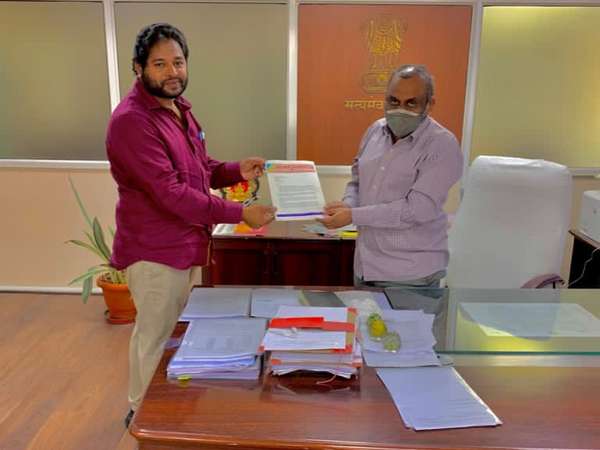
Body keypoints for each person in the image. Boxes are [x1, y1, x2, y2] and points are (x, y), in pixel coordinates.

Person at [106, 23, 276, 427]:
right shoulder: (131, 121)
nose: (172, 72)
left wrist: (234, 169)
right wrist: (239, 214)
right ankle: (144, 418)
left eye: (178, 62)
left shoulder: (178, 108)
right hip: (155, 251)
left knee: (174, 335)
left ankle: (169, 410)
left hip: (186, 244)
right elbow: (169, 193)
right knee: (156, 337)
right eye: (160, 64)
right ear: (138, 68)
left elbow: (198, 168)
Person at [319, 64, 463, 288]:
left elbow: (417, 210)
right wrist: (347, 205)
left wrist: (353, 215)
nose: (400, 110)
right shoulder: (375, 131)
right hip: (365, 266)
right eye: (393, 101)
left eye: (411, 103)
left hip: (411, 275)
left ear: (430, 104)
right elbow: (357, 181)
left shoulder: (442, 145)